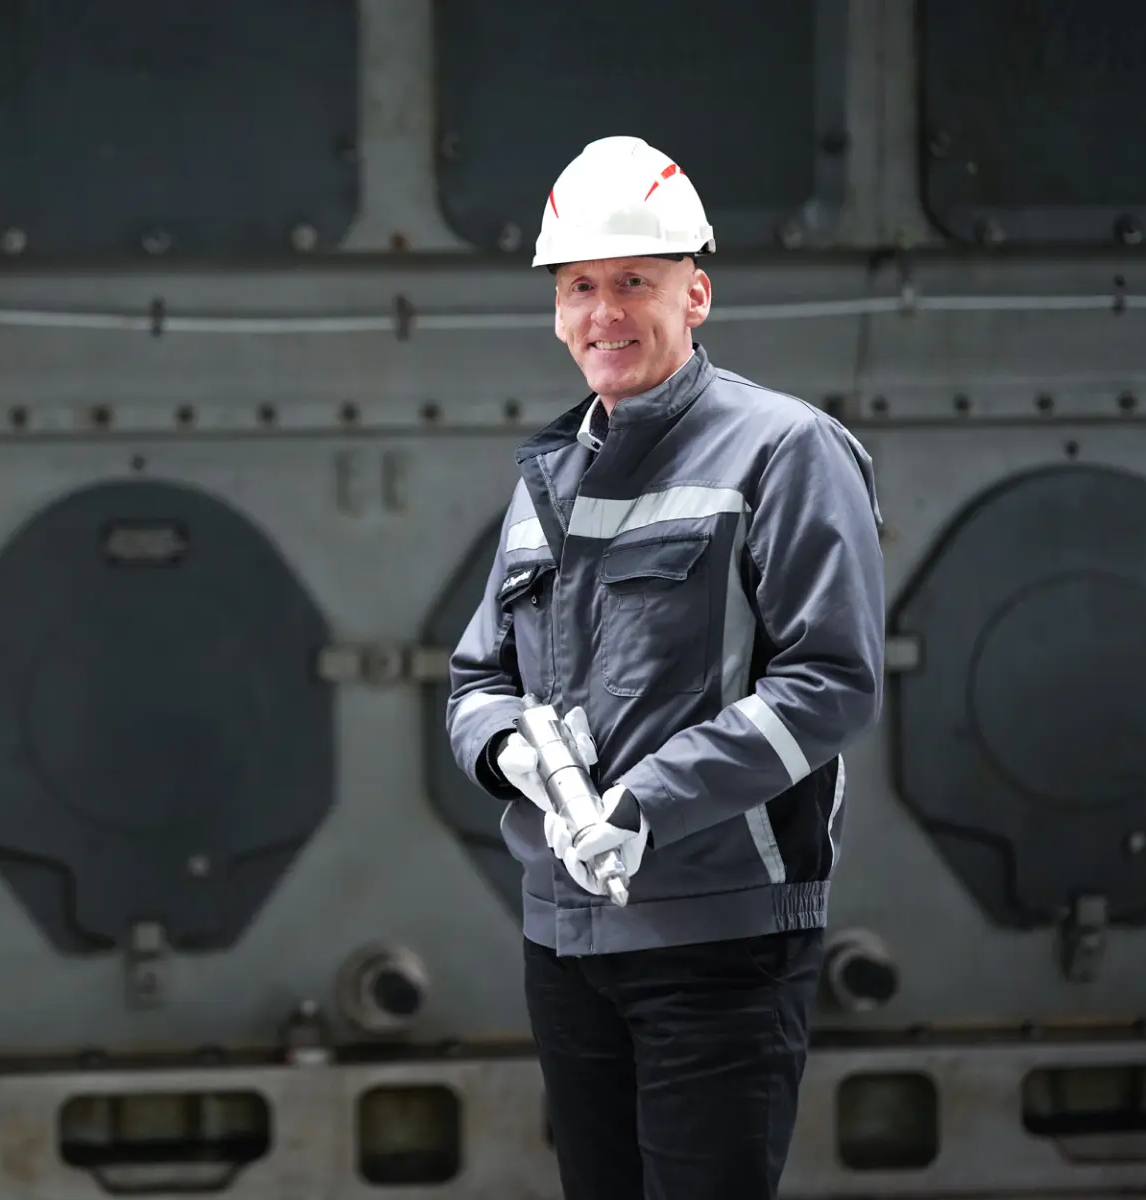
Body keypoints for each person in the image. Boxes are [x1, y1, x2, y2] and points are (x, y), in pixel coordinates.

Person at [444, 135, 887, 1198]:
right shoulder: (550, 473)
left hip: (719, 939)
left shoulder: (786, 451)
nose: (605, 313)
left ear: (695, 293)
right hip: (566, 937)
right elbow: (476, 680)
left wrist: (641, 806)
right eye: (581, 286)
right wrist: (523, 763)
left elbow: (829, 682)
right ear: (556, 308)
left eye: (634, 283)